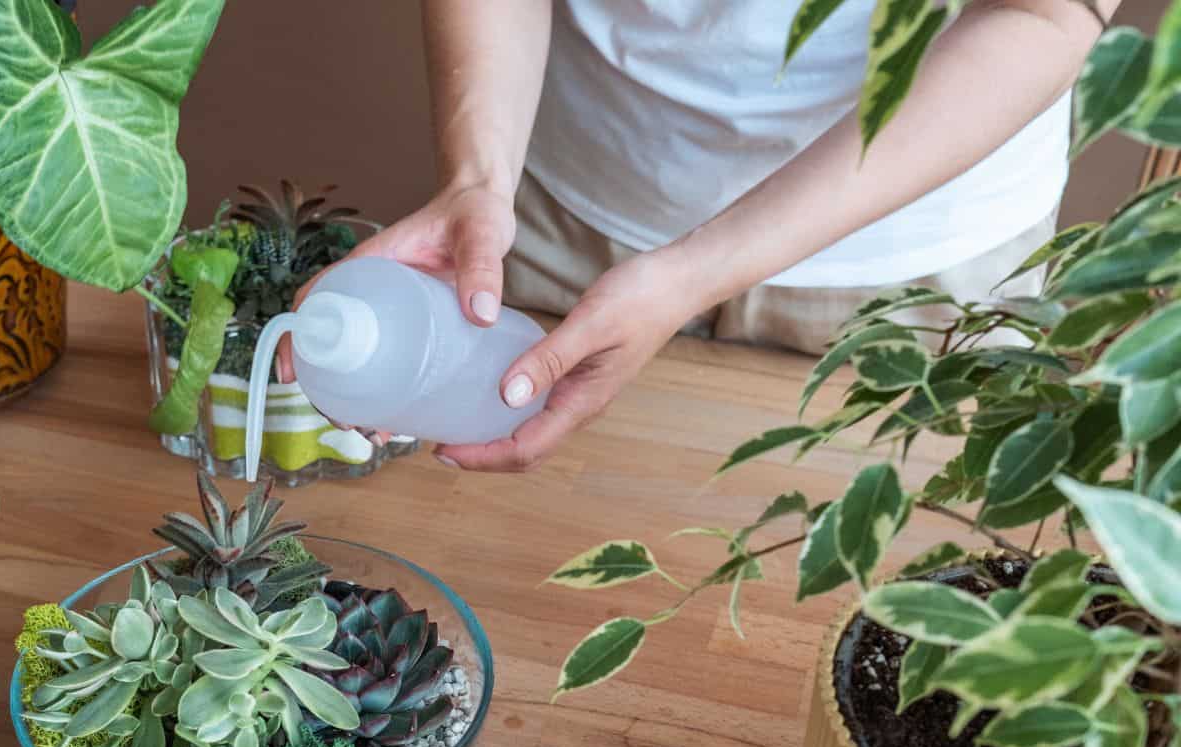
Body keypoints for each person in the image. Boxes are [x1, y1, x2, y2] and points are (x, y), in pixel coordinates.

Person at [286, 0, 1117, 473]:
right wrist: (477, 178)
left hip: (917, 252)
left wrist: (692, 272)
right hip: (559, 203)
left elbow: (1046, 12)